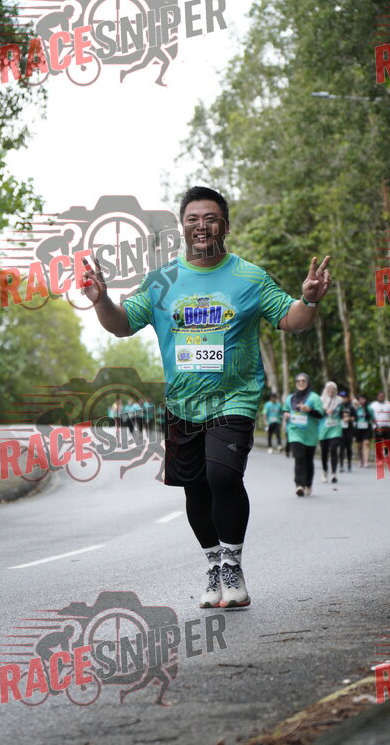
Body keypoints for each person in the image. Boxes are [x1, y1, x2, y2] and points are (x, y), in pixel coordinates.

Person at [83, 186, 331, 609]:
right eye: (193, 219)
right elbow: (122, 324)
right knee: (195, 489)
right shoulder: (161, 282)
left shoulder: (250, 277)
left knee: (222, 477)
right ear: (182, 227)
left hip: (234, 398)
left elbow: (291, 319)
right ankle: (214, 564)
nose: (202, 226)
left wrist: (308, 298)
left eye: (211, 218)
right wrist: (102, 299)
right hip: (182, 404)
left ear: (225, 226)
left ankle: (232, 565)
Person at [283, 374, 323, 496]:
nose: (301, 383)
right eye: (298, 381)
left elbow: (320, 414)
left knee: (308, 459)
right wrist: (286, 415)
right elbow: (285, 410)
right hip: (295, 432)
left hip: (310, 434)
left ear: (308, 382)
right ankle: (299, 485)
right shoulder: (290, 398)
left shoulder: (314, 397)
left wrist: (309, 410)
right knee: (299, 457)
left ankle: (308, 484)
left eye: (303, 381)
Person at [319, 381, 343, 483]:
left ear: (336, 390)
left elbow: (346, 410)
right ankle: (324, 471)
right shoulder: (320, 401)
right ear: (326, 390)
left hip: (335, 429)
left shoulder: (340, 401)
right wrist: (325, 411)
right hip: (323, 429)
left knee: (334, 449)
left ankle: (333, 473)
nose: (331, 391)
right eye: (329, 389)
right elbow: (316, 413)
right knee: (324, 451)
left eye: (333, 389)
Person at [338, 391, 356, 473]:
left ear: (347, 398)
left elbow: (355, 417)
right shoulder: (337, 407)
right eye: (341, 397)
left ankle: (349, 465)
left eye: (344, 397)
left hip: (349, 430)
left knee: (349, 448)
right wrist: (341, 419)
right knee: (341, 448)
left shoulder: (350, 407)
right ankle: (341, 465)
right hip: (340, 430)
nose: (343, 399)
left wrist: (349, 419)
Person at [353, 394, 373, 467]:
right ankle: (360, 459)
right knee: (359, 445)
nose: (361, 401)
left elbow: (373, 417)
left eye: (363, 399)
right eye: (360, 399)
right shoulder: (355, 408)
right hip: (357, 428)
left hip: (367, 427)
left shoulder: (369, 408)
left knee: (366, 443)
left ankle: (366, 461)